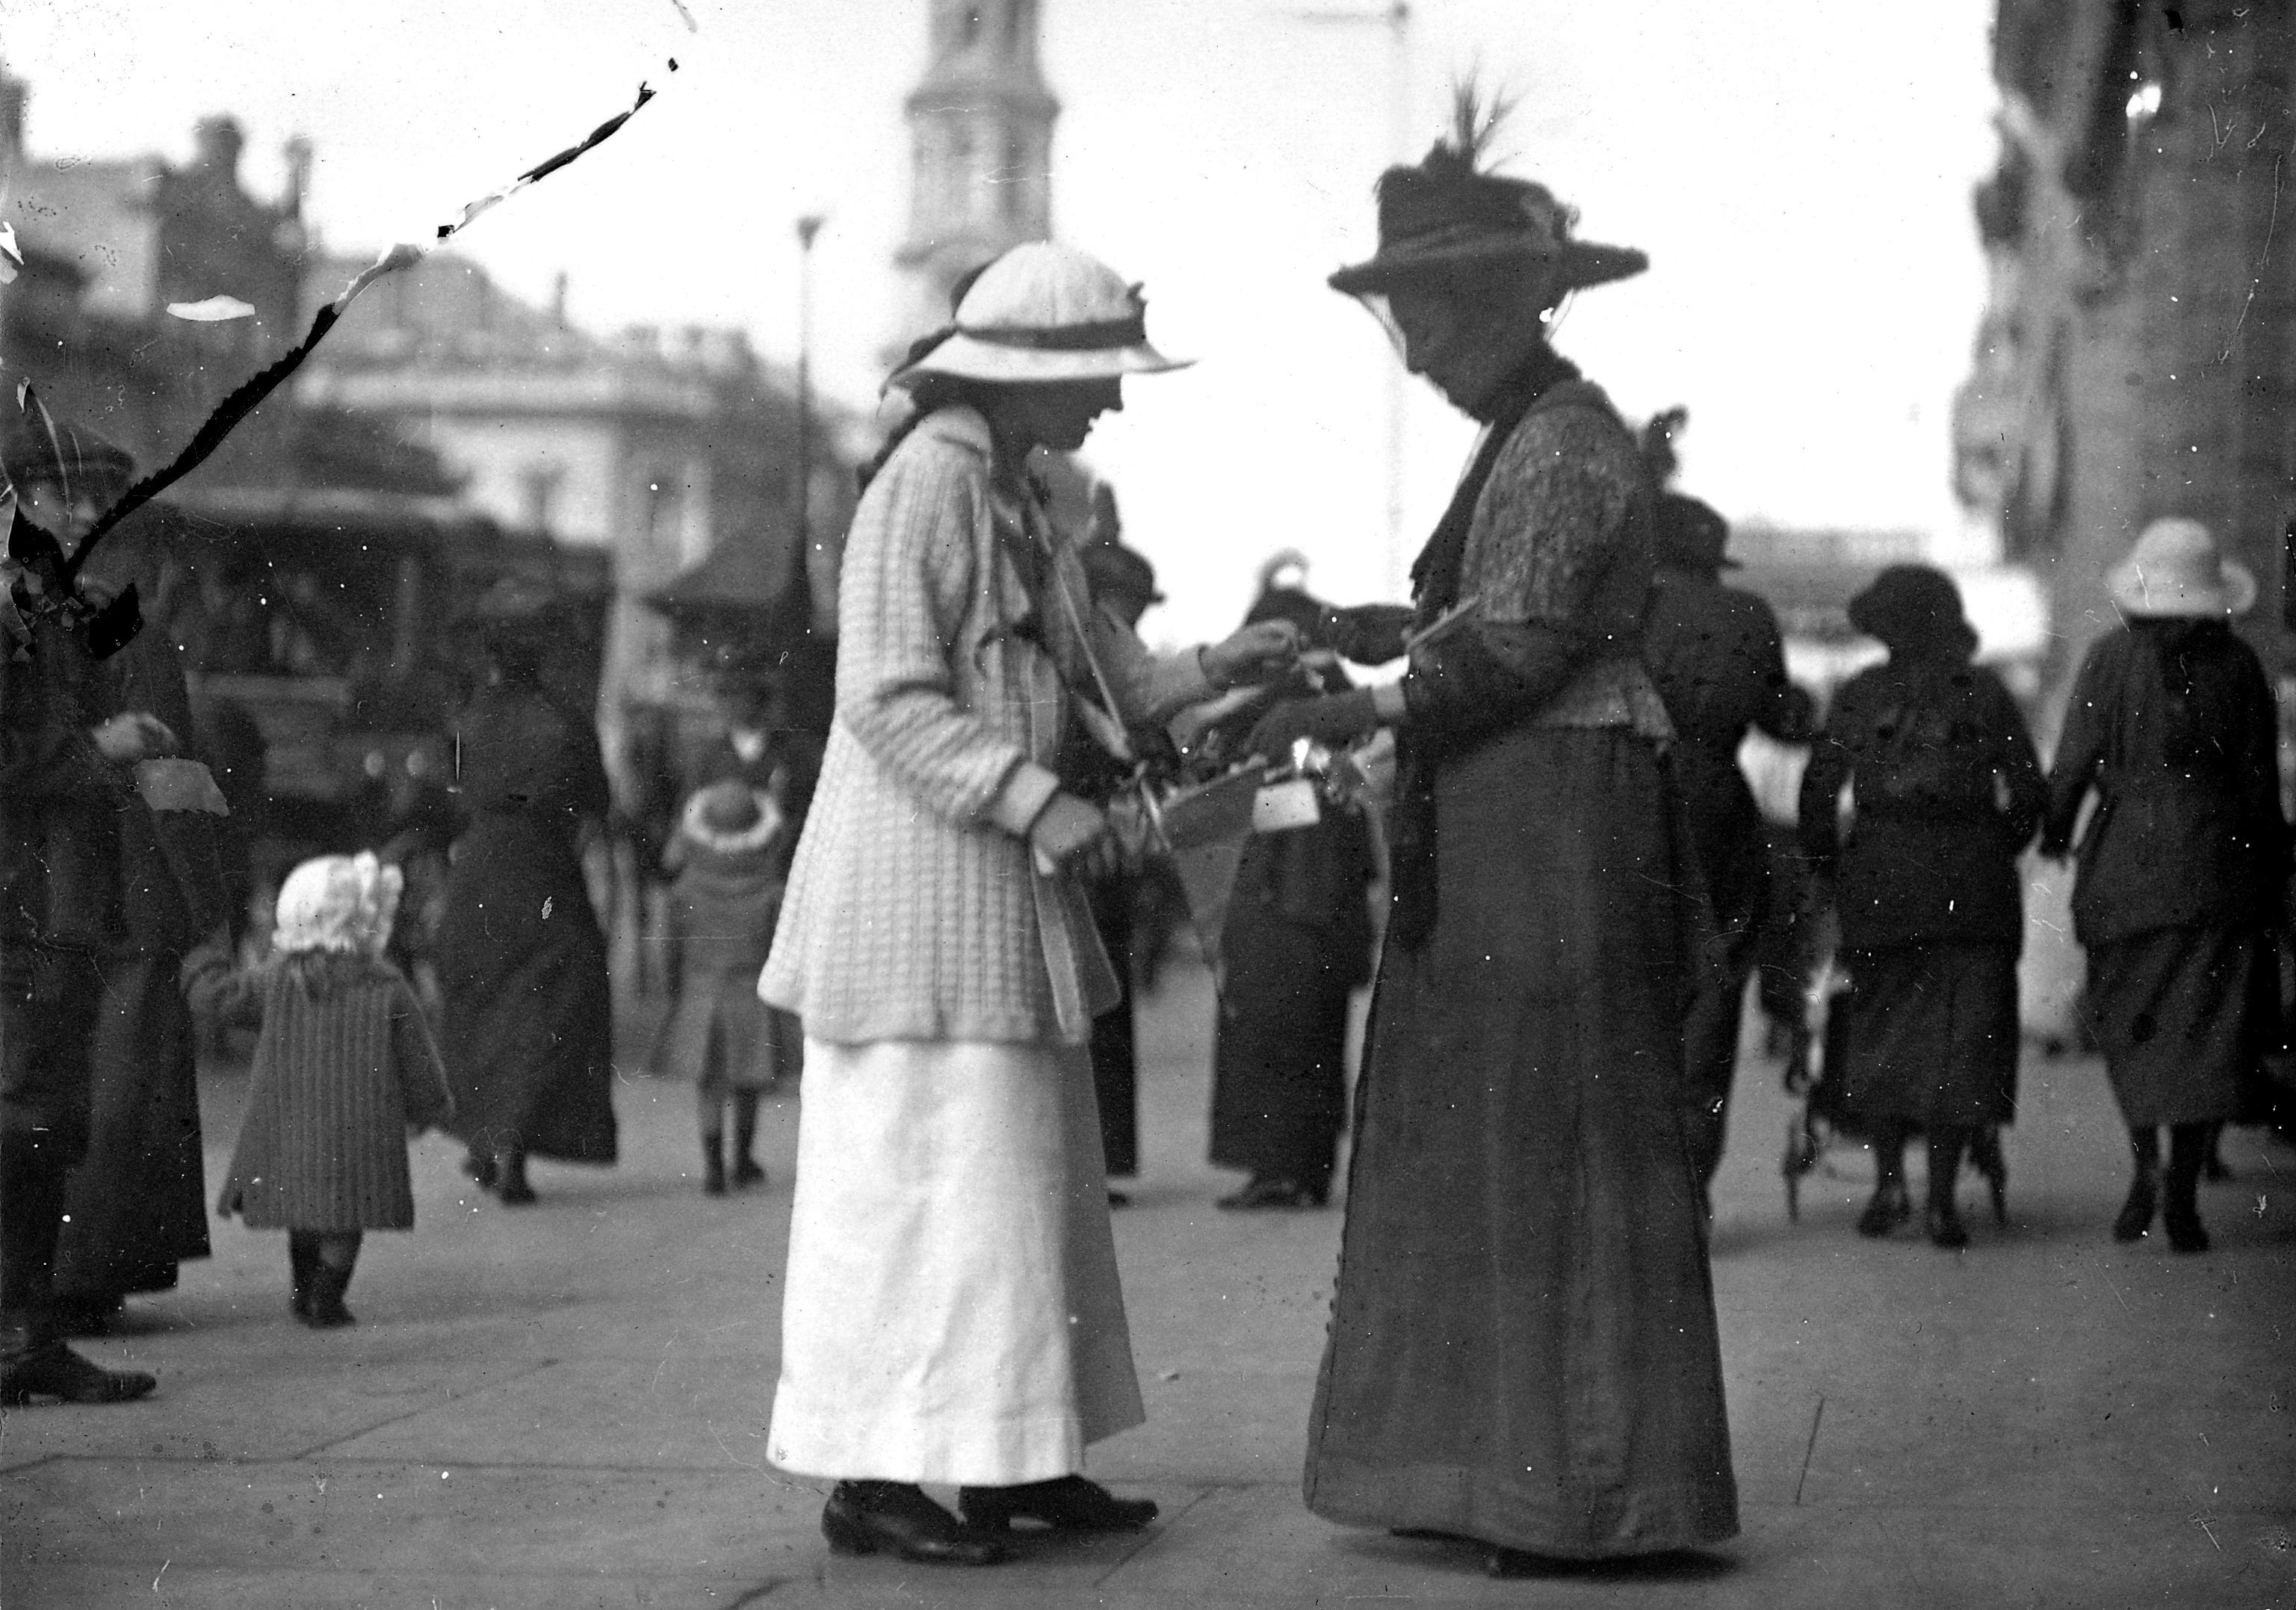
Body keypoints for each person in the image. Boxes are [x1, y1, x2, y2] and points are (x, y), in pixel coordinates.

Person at [1243, 100, 1739, 1571]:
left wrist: (1363, 704)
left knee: (1548, 1128)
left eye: (1437, 310)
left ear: (1516, 303)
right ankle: (1505, 1468)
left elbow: (1519, 641)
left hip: (1554, 809)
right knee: (1501, 1129)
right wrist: (1364, 644)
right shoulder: (1533, 441)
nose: (1418, 344)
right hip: (1517, 800)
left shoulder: (1563, 445)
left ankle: (1573, 1482)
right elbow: (1503, 618)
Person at [758, 241, 1301, 1567]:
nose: (1112, 401)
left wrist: (1215, 664)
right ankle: (873, 1480)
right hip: (910, 904)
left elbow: (1093, 665)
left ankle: (1006, 1458)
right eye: (1100, 376)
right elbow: (881, 695)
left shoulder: (1014, 488)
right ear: (1029, 373)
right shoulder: (924, 489)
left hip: (988, 906)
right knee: (905, 1190)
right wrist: (1030, 798)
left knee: (1019, 1192)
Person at [2040, 518, 2289, 1253]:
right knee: (2208, 1033)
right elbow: (2257, 786)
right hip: (2216, 870)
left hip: (2124, 871)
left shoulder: (2106, 661)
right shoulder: (2241, 668)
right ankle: (2182, 1185)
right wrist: (2269, 868)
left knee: (2134, 1026)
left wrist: (2054, 832)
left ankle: (2143, 1165)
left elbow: (2071, 766)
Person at [1797, 565, 2043, 1249]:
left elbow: (1818, 795)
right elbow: (2027, 793)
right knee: (1961, 1041)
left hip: (1881, 881)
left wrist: (1832, 869)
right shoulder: (1986, 692)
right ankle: (1940, 1201)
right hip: (1973, 885)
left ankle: (1887, 1187)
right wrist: (1992, 848)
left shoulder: (1857, 695)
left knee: (1881, 1032)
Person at [0, 454, 164, 1405]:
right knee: (20, 1110)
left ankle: (29, 1334)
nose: (99, 513)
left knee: (44, 1113)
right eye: (79, 497)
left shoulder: (60, 605)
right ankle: (19, 1336)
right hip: (18, 898)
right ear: (26, 501)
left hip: (60, 899)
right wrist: (96, 748)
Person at [188, 852, 452, 1326]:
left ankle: (302, 1288)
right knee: (343, 1223)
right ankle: (326, 1298)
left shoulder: (279, 980)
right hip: (360, 1136)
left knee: (304, 1216)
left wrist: (200, 961)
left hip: (294, 1133)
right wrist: (431, 1106)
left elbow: (221, 999)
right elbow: (418, 1058)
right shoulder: (387, 984)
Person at [1639, 491, 1813, 1198]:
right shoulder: (1748, 616)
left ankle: (1634, 1193)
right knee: (1713, 995)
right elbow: (1785, 719)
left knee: (1631, 993)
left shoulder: (1628, 613)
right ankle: (1691, 1186)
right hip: (1718, 809)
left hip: (1633, 804)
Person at [435, 600, 617, 1205]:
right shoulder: (566, 721)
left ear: (491, 662)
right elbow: (596, 810)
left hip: (480, 873)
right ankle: (513, 1145)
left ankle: (485, 1139)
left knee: (479, 1002)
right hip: (544, 872)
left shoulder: (467, 720)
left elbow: (449, 798)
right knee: (547, 1006)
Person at [1208, 587, 1378, 1210]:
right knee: (1310, 1037)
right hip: (1320, 898)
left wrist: (1241, 808)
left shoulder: (1295, 700)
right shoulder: (1339, 695)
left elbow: (1323, 797)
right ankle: (1299, 1168)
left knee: (1276, 1033)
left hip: (1290, 895)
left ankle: (1281, 1169)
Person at [1077, 524, 1163, 1203]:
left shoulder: (1114, 682)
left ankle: (1104, 1161)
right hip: (1076, 857)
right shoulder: (1072, 681)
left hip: (1112, 866)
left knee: (1107, 1017)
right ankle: (1083, 1161)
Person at [655, 779, 791, 1195]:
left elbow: (670, 948)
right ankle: (742, 1160)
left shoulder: (685, 890)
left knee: (709, 1084)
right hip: (751, 991)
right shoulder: (771, 891)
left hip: (701, 991)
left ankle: (713, 1167)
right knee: (748, 1080)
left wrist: (673, 989)